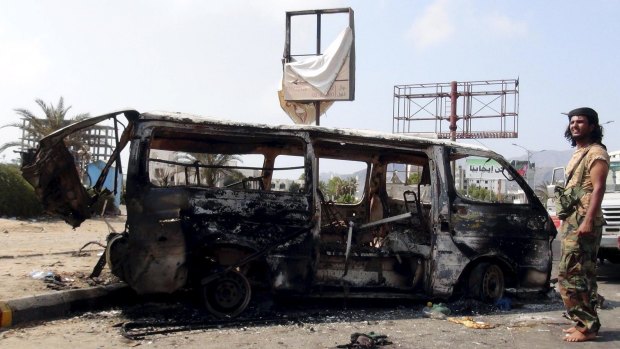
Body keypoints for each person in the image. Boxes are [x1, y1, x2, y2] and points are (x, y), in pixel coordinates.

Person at [558, 107, 609, 342]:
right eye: (572, 122)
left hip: (584, 219)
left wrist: (588, 219)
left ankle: (588, 327)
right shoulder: (579, 151)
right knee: (576, 272)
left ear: (592, 126)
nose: (575, 125)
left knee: (575, 273)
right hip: (573, 219)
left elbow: (598, 188)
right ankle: (583, 322)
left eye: (581, 122)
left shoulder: (596, 152)